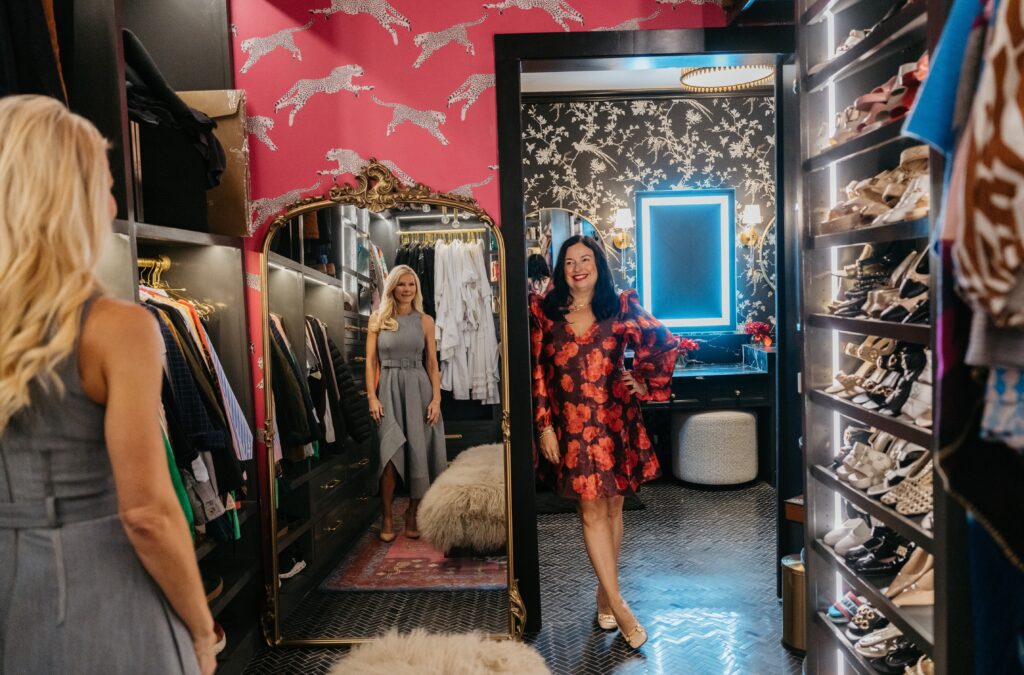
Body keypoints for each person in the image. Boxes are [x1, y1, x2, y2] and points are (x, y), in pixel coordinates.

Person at [0, 95, 215, 673]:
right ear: (69, 197)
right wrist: (201, 630)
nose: (114, 202)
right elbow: (147, 512)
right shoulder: (115, 328)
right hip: (95, 590)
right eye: (106, 184)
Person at [529, 235, 678, 650]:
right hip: (572, 428)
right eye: (569, 261)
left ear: (598, 266)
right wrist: (543, 426)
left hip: (616, 420)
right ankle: (620, 605)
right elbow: (536, 373)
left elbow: (664, 341)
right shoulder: (544, 313)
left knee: (613, 508)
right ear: (560, 269)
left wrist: (643, 381)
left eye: (585, 259)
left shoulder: (621, 306)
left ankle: (603, 594)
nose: (578, 268)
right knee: (591, 511)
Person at [366, 265, 446, 542]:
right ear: (392, 287)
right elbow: (371, 362)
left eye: (412, 284)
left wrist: (436, 399)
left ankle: (412, 514)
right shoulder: (377, 319)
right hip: (388, 389)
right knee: (389, 454)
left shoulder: (425, 321)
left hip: (419, 388)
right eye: (401, 284)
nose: (407, 289)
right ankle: (387, 515)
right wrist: (371, 396)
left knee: (419, 453)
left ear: (417, 289)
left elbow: (432, 363)